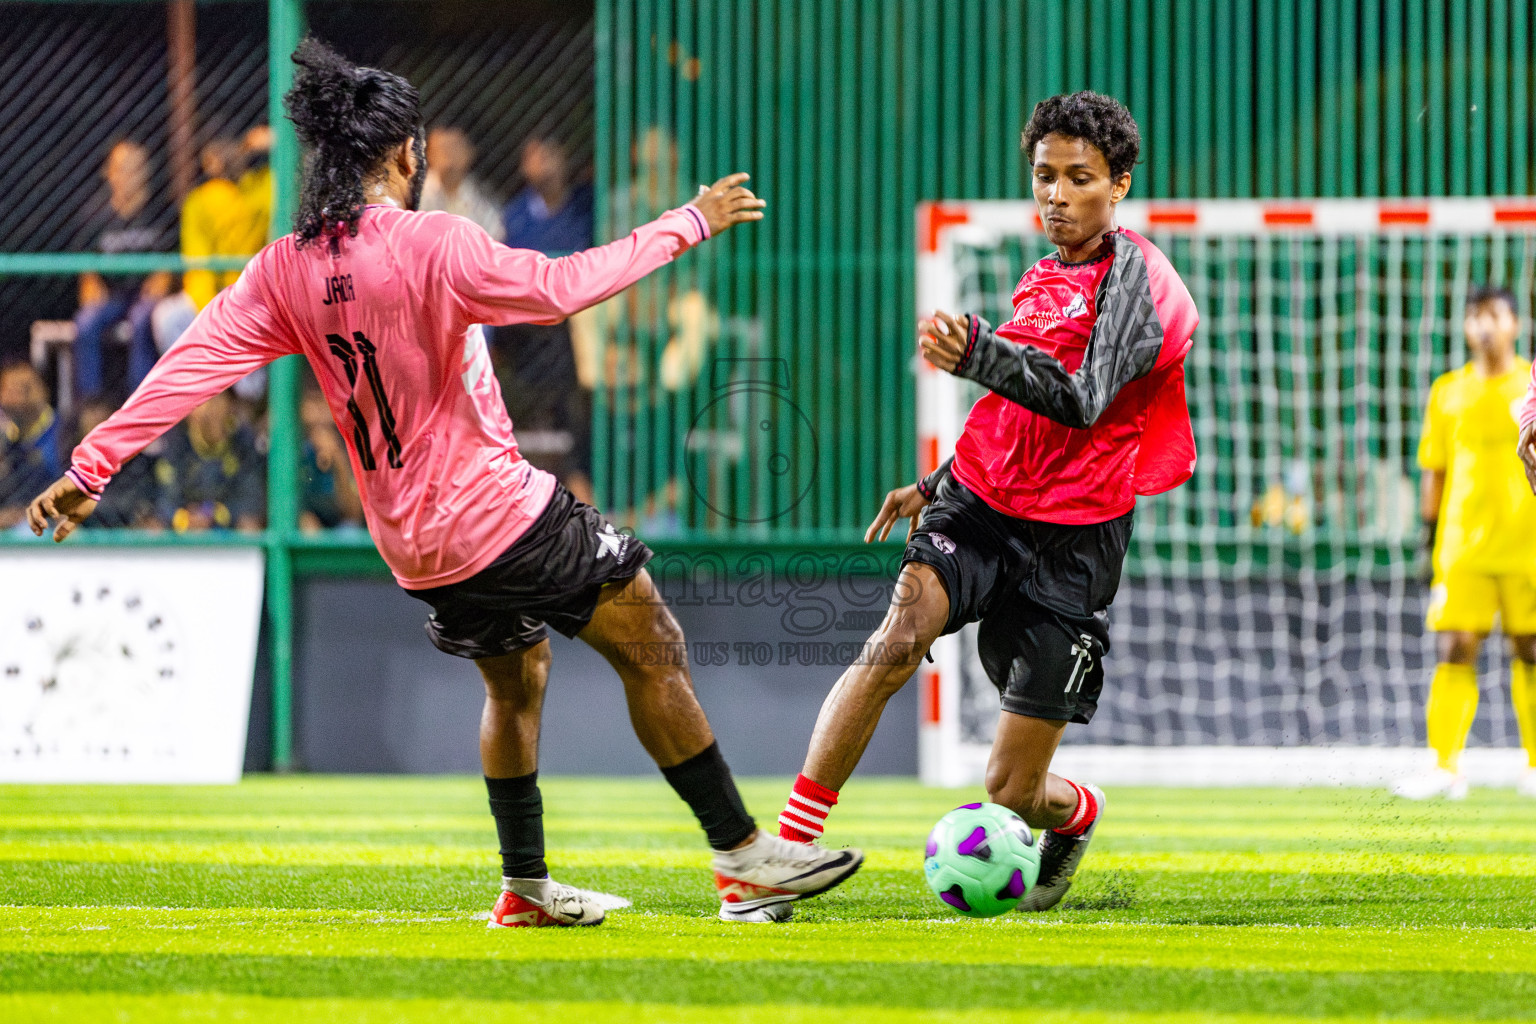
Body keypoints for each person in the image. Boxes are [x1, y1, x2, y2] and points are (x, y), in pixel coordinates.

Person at [27, 38, 860, 927]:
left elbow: (187, 361)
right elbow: (560, 288)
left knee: (517, 680)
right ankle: (742, 858)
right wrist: (686, 222)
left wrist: (91, 466)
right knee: (647, 629)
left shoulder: (285, 267)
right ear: (401, 154)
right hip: (490, 508)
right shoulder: (434, 242)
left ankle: (528, 889)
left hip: (412, 545)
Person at [773, 92, 1198, 916]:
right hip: (980, 506)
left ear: (1120, 186)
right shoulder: (1041, 278)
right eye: (1045, 176)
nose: (1057, 195)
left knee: (1013, 787)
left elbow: (1080, 399)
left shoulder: (1142, 282)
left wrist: (979, 352)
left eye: (1081, 178)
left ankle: (1075, 813)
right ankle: (781, 857)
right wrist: (935, 484)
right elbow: (1015, 414)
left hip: (1075, 545)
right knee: (899, 631)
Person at [1398, 285, 1536, 800]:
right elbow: (1434, 469)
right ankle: (1444, 767)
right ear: (1463, 327)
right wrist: (1427, 533)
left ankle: (1534, 765)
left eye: (1496, 315)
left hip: (1528, 543)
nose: (1485, 326)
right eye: (1475, 316)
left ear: (1515, 325)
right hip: (1463, 548)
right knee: (1454, 647)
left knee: (1532, 648)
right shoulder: (1448, 390)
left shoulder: (1531, 385)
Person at [73, 140, 176, 401]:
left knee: (143, 321)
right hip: (113, 296)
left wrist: (165, 276)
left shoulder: (163, 212)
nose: (129, 176)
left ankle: (140, 405)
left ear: (147, 172)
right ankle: (91, 405)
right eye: (123, 168)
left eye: (136, 168)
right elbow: (87, 266)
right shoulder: (94, 215)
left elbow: (171, 260)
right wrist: (90, 282)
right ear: (109, 173)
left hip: (147, 296)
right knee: (86, 324)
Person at [152, 139, 269, 352]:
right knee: (167, 316)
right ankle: (199, 384)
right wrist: (214, 313)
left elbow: (305, 171)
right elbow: (199, 269)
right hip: (212, 298)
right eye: (216, 153)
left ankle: (247, 386)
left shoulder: (265, 185)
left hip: (254, 293)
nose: (225, 157)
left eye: (232, 149)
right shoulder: (199, 200)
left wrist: (275, 143)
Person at [152, 389, 266, 534]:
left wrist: (216, 513)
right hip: (182, 530)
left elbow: (251, 499)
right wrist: (184, 518)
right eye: (204, 402)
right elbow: (165, 500)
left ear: (231, 406)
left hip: (228, 529)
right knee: (153, 527)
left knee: (250, 526)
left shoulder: (243, 445)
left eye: (218, 400)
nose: (212, 410)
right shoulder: (175, 445)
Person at [0, 362, 61, 529]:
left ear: (43, 390)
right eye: (8, 388)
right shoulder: (4, 438)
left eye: (24, 387)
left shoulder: (64, 433)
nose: (15, 396)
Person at [420, 126, 503, 240]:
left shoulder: (483, 198)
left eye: (453, 148)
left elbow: (495, 236)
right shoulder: (415, 193)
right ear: (428, 154)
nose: (448, 158)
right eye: (441, 150)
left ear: (469, 153)